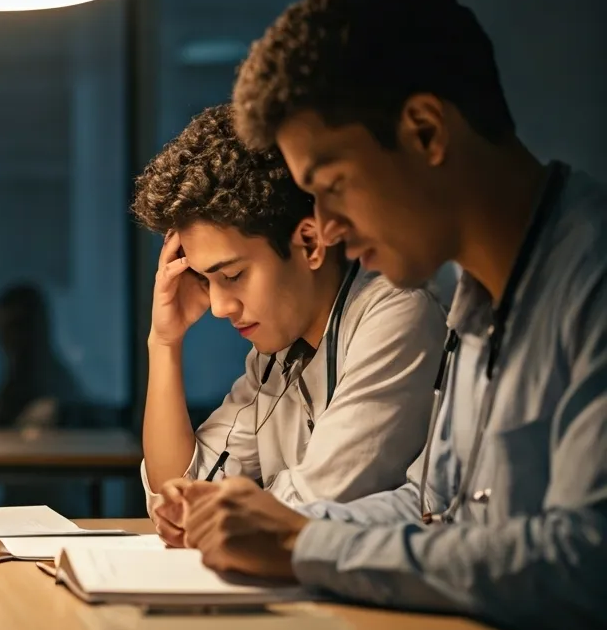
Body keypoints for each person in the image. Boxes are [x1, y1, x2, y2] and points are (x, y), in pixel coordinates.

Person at [164, 0, 607, 630]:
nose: (327, 229)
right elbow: (432, 508)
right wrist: (278, 524)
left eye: (333, 186)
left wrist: (305, 541)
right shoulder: (480, 302)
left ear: (426, 132)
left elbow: (587, 563)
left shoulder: (590, 282)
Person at [135, 104, 446, 540]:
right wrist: (164, 343)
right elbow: (180, 493)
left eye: (232, 276)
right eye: (206, 280)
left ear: (310, 242)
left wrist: (214, 512)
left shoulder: (397, 312)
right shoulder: (278, 355)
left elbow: (314, 507)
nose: (220, 307)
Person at [0, 283, 83, 428]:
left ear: (40, 327)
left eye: (17, 327)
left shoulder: (54, 386)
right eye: (2, 329)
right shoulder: (13, 380)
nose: (7, 338)